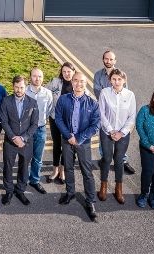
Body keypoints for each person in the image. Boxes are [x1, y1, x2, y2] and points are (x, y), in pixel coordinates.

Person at [55, 72, 100, 222]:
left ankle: (90, 202)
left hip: (83, 142)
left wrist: (79, 138)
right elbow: (59, 119)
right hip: (67, 140)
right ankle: (70, 193)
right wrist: (69, 136)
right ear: (72, 82)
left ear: (85, 83)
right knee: (68, 168)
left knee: (87, 172)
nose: (78, 84)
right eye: (75, 81)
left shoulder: (92, 103)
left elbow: (96, 125)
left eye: (81, 81)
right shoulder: (63, 99)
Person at [97, 69, 136, 204]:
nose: (116, 82)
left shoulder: (130, 95)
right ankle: (103, 186)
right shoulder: (104, 93)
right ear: (110, 80)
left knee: (119, 160)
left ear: (124, 80)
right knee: (107, 158)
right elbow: (101, 114)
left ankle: (118, 188)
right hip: (107, 131)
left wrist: (121, 132)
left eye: (119, 79)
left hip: (123, 133)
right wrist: (111, 131)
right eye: (114, 79)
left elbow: (132, 117)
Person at [92, 50, 136, 174]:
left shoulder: (120, 74)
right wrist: (106, 99)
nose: (108, 61)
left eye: (111, 59)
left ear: (115, 61)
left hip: (119, 109)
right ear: (103, 60)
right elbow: (97, 91)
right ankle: (105, 158)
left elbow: (124, 92)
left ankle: (123, 160)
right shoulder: (98, 75)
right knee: (104, 135)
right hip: (104, 107)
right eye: (106, 59)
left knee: (121, 137)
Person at [0, 76, 38, 206]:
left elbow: (34, 124)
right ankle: (8, 191)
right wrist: (13, 137)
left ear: (25, 87)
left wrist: (23, 138)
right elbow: (4, 121)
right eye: (16, 87)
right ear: (13, 86)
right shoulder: (6, 101)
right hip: (10, 141)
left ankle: (20, 190)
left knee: (24, 167)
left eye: (21, 87)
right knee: (8, 166)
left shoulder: (32, 102)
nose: (19, 90)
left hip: (26, 142)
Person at [45, 62, 77, 184]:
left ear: (73, 72)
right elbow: (44, 91)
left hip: (69, 122)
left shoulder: (77, 84)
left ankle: (63, 170)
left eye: (69, 71)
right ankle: (55, 170)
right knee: (57, 144)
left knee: (66, 145)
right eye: (64, 71)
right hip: (55, 119)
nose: (66, 74)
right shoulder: (55, 82)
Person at [25, 67, 54, 194]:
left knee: (37, 158)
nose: (37, 79)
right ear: (30, 77)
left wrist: (41, 121)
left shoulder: (47, 93)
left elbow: (49, 109)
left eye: (40, 76)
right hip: (26, 129)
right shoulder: (24, 91)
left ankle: (35, 180)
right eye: (35, 76)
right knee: (25, 157)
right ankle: (23, 180)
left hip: (41, 128)